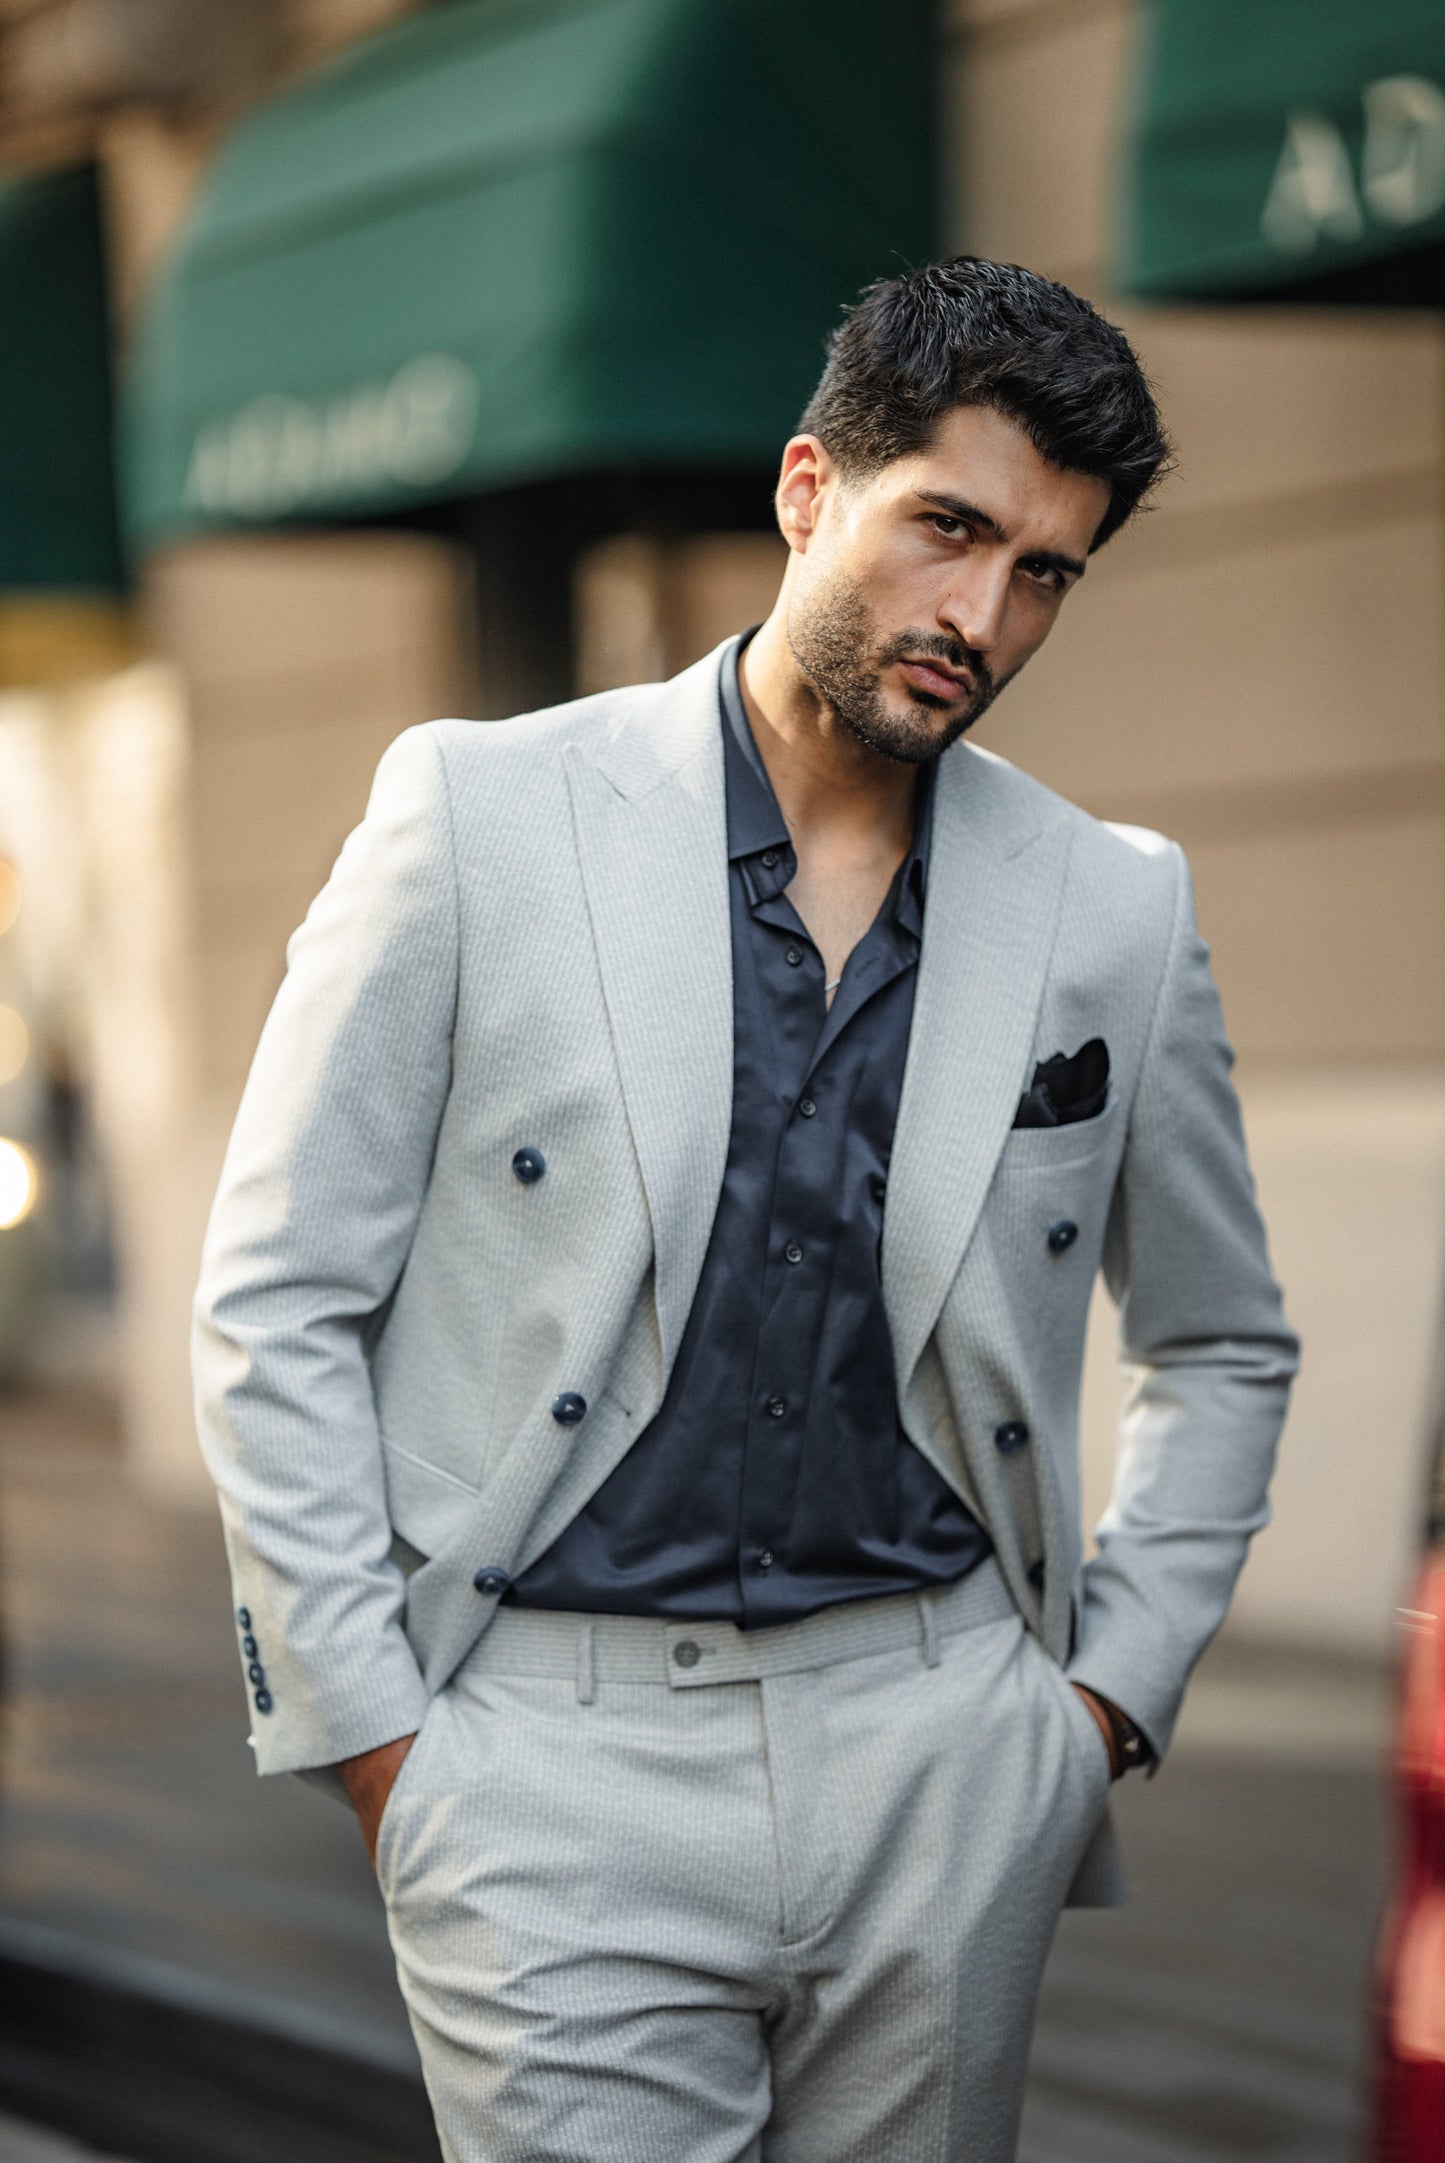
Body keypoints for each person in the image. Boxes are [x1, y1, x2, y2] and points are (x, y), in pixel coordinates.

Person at [194, 256, 1299, 2163]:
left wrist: (1097, 1707)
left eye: (1043, 570)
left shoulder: (1109, 905)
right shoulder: (476, 814)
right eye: (943, 527)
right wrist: (380, 1744)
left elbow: (1219, 1338)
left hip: (946, 1747)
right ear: (809, 492)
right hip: (548, 1756)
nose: (980, 611)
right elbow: (275, 1301)